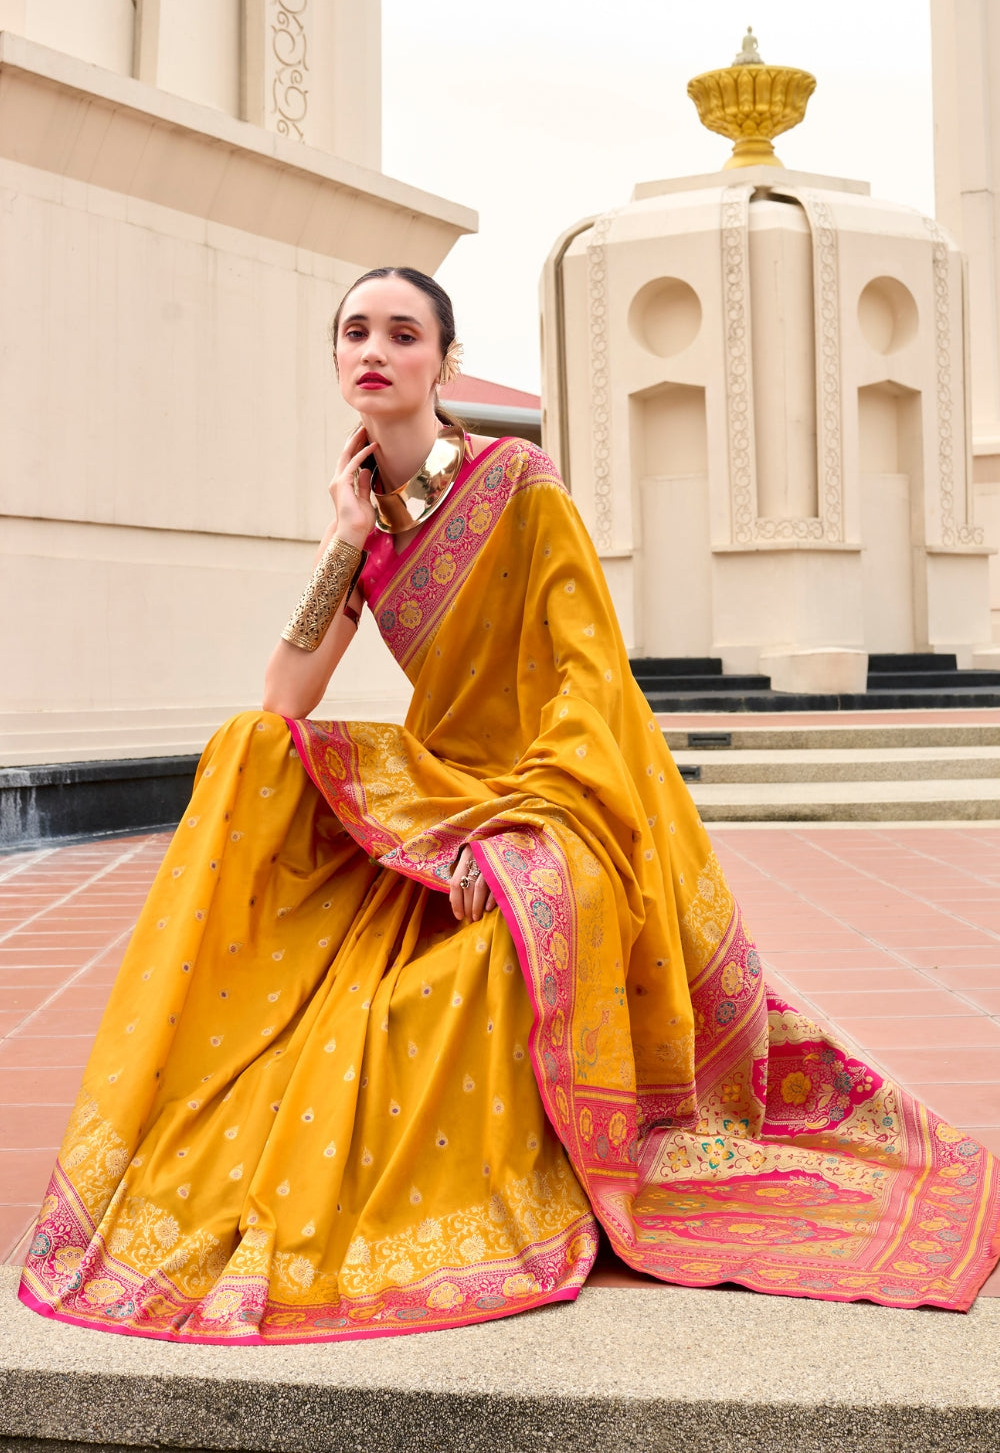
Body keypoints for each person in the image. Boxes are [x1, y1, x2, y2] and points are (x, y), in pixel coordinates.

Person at [20, 268, 1000, 1345]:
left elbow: (588, 685)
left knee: (515, 932)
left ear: (443, 360)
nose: (375, 350)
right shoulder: (369, 517)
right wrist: (343, 542)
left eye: (403, 333)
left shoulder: (514, 481)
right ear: (335, 360)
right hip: (444, 790)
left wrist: (523, 823)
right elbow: (283, 701)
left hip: (560, 791)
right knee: (244, 750)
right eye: (355, 332)